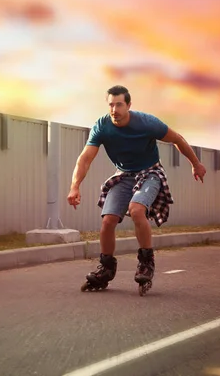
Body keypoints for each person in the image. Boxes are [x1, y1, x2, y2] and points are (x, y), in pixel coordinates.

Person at [67, 85, 206, 291]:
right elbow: (85, 158)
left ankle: (146, 263)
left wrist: (195, 163)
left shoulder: (147, 122)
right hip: (124, 175)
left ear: (129, 105)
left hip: (150, 173)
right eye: (111, 105)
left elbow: (177, 139)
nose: (114, 110)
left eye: (119, 105)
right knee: (108, 220)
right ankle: (106, 268)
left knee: (137, 209)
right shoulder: (102, 126)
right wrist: (75, 186)